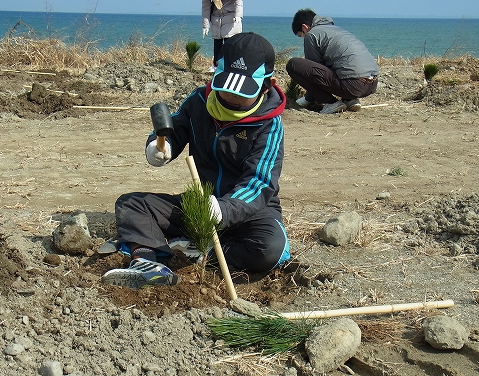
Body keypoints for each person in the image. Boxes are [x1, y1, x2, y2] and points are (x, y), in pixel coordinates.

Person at [101, 32, 290, 290]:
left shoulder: (269, 125)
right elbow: (177, 128)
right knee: (132, 204)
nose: (230, 98)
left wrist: (225, 209)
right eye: (225, 88)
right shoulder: (200, 101)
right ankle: (147, 261)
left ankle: (205, 251)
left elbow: (260, 182)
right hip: (202, 202)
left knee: (271, 249)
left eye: (241, 92)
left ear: (267, 85)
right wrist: (161, 147)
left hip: (250, 212)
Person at [286, 8, 379, 114]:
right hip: (372, 85)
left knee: (293, 65)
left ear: (304, 27)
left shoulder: (311, 35)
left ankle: (332, 103)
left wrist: (308, 98)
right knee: (339, 65)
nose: (303, 38)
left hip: (352, 85)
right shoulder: (336, 30)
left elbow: (313, 74)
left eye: (301, 35)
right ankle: (349, 100)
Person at [202, 0, 243, 72]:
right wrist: (205, 25)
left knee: (230, 43)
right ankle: (216, 65)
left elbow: (238, 2)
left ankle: (231, 66)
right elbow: (206, 7)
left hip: (231, 17)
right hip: (216, 17)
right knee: (217, 42)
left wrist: (238, 15)